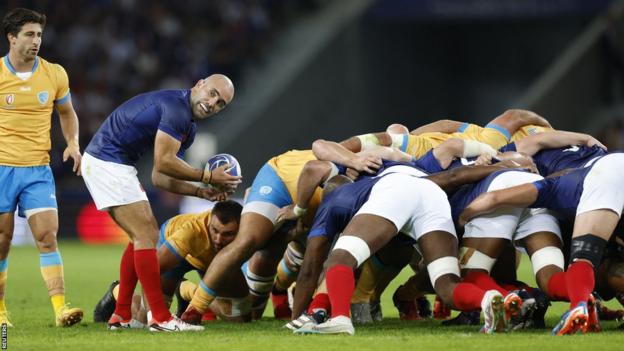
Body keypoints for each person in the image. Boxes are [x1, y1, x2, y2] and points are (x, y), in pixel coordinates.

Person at [81, 73, 240, 332]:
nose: (213, 103)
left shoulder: (188, 127)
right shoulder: (176, 109)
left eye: (220, 103)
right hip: (107, 161)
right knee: (147, 234)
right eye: (212, 93)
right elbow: (164, 161)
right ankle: (161, 318)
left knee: (139, 236)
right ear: (199, 84)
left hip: (111, 163)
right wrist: (209, 176)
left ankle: (121, 316)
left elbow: (159, 177)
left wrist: (202, 193)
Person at [459, 152, 624, 335]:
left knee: (584, 257)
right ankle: (583, 300)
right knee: (554, 276)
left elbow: (493, 198)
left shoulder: (553, 187)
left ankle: (579, 305)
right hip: (610, 162)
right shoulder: (570, 176)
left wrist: (462, 216)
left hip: (605, 176)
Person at [0, 8, 83, 327]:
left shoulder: (55, 73)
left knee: (48, 236)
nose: (37, 41)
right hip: (3, 168)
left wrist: (73, 144)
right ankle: (1, 313)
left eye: (39, 35)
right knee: (2, 241)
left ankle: (61, 309)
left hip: (37, 170)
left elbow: (67, 113)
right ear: (12, 37)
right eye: (30, 34)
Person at [93, 200, 251, 325]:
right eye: (215, 231)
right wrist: (155, 315)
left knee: (240, 319)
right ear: (210, 221)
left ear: (241, 229)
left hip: (212, 262)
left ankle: (187, 291)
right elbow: (151, 271)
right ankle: (117, 290)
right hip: (176, 255)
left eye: (227, 234)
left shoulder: (249, 232)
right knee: (143, 320)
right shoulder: (190, 232)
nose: (218, 239)